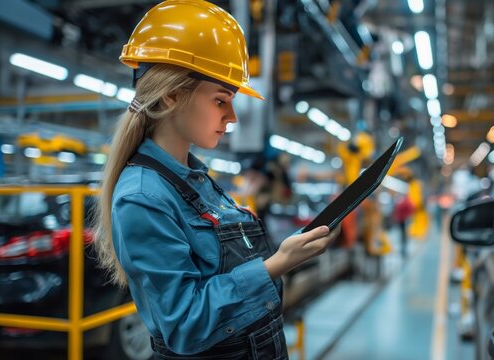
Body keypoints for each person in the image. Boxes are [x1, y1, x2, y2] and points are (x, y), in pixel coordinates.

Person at [92, 1, 341, 358]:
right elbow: (185, 325)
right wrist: (277, 264)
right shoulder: (143, 197)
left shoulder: (199, 183)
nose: (233, 116)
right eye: (221, 100)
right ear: (172, 95)